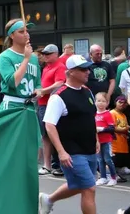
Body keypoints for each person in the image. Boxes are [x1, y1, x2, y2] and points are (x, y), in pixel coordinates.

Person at [39, 55, 99, 214]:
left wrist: (97, 140)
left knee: (78, 185)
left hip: (90, 148)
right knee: (89, 188)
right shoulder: (59, 96)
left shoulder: (87, 91)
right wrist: (61, 152)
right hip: (72, 152)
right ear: (70, 72)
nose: (87, 72)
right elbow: (50, 125)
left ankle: (48, 199)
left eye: (87, 68)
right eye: (82, 69)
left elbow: (91, 118)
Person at [0, 19, 40, 110]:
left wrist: (39, 90)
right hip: (12, 105)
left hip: (30, 106)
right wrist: (26, 59)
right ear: (12, 35)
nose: (26, 34)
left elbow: (38, 83)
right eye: (21, 32)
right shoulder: (5, 57)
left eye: (27, 31)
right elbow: (13, 83)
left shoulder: (34, 58)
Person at [37, 44, 67, 176]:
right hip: (43, 103)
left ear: (56, 54)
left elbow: (60, 83)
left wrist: (43, 90)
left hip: (52, 104)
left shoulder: (60, 66)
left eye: (48, 54)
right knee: (45, 134)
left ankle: (55, 164)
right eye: (44, 54)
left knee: (53, 134)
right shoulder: (46, 67)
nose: (45, 56)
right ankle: (49, 164)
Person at [94, 92, 118, 186]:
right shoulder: (94, 114)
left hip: (106, 140)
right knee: (100, 159)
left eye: (103, 101)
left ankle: (113, 177)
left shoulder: (107, 114)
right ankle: (103, 177)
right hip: (97, 142)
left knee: (108, 159)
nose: (100, 103)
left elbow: (112, 128)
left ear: (107, 103)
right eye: (98, 101)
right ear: (95, 102)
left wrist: (101, 129)